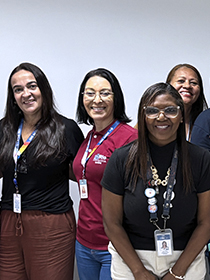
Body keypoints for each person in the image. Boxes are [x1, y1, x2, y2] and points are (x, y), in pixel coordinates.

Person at [102, 83, 210, 280]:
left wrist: (177, 272)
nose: (161, 117)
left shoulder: (201, 159)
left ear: (181, 116)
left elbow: (207, 223)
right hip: (131, 260)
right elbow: (111, 223)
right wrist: (138, 271)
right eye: (152, 111)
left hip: (186, 259)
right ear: (143, 116)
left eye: (171, 110)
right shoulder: (121, 159)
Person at [0, 62, 84, 279]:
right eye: (18, 89)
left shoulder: (65, 128)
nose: (26, 94)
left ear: (43, 89)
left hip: (51, 224)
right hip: (9, 222)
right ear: (12, 96)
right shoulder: (5, 128)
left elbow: (81, 174)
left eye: (32, 86)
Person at [73, 68, 138, 280]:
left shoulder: (129, 139)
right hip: (83, 241)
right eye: (90, 93)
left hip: (114, 245)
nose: (97, 100)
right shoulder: (89, 137)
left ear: (116, 98)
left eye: (105, 93)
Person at [167, 64, 208, 140]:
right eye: (181, 81)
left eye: (193, 83)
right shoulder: (156, 119)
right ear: (168, 86)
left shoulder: (205, 123)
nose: (187, 86)